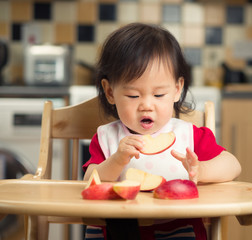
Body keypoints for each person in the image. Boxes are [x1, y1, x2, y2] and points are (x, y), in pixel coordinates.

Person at [82, 23, 241, 240]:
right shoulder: (107, 138)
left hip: (179, 228)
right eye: (133, 96)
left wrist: (200, 170)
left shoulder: (189, 136)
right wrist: (117, 160)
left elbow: (232, 165)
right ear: (110, 92)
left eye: (158, 95)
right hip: (118, 231)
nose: (147, 105)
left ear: (177, 89)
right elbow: (90, 180)